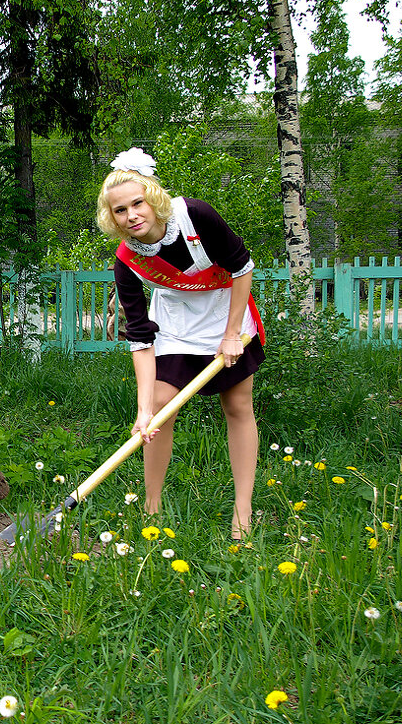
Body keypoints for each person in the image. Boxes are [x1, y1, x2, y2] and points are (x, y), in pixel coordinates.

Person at [97, 148, 265, 540]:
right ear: (112, 217)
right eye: (120, 210)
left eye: (137, 203)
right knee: (157, 410)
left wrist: (229, 336)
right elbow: (139, 337)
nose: (132, 215)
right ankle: (150, 508)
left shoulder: (195, 215)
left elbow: (242, 268)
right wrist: (142, 411)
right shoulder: (127, 259)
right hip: (175, 323)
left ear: (153, 199)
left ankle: (243, 511)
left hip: (226, 312)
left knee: (238, 405)